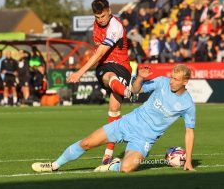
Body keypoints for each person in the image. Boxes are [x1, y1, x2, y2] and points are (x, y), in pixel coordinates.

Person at [32, 64, 196, 173]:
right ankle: (54, 165)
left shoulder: (188, 105)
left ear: (186, 81)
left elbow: (189, 132)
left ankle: (112, 166)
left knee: (127, 167)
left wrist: (188, 160)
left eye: (176, 79)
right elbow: (136, 90)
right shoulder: (162, 82)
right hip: (128, 123)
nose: (171, 81)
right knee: (87, 142)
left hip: (144, 140)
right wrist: (140, 78)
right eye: (172, 77)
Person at [67, 0, 134, 165]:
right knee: (108, 76)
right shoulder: (97, 24)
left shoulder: (115, 26)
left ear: (109, 11)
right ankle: (126, 91)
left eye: (103, 16)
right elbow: (99, 55)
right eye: (97, 17)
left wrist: (80, 72)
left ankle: (108, 153)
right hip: (105, 67)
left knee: (114, 110)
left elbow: (99, 53)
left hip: (123, 67)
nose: (100, 20)